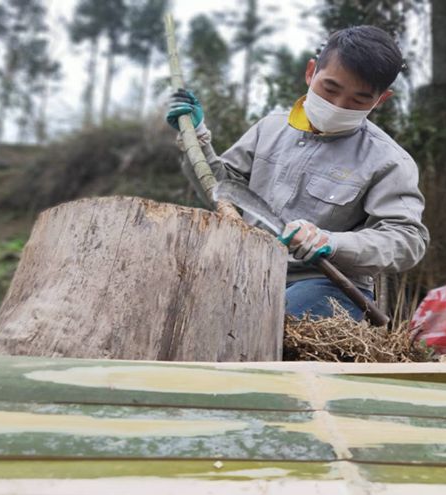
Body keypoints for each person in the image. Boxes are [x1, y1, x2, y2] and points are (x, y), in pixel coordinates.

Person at [166, 25, 429, 321]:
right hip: (245, 273)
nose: (338, 105)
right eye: (330, 88)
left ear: (381, 100)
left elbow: (407, 240)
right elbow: (225, 192)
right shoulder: (271, 128)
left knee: (276, 317)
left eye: (358, 100)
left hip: (323, 285)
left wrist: (330, 242)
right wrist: (197, 137)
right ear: (311, 72)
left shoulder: (390, 161)